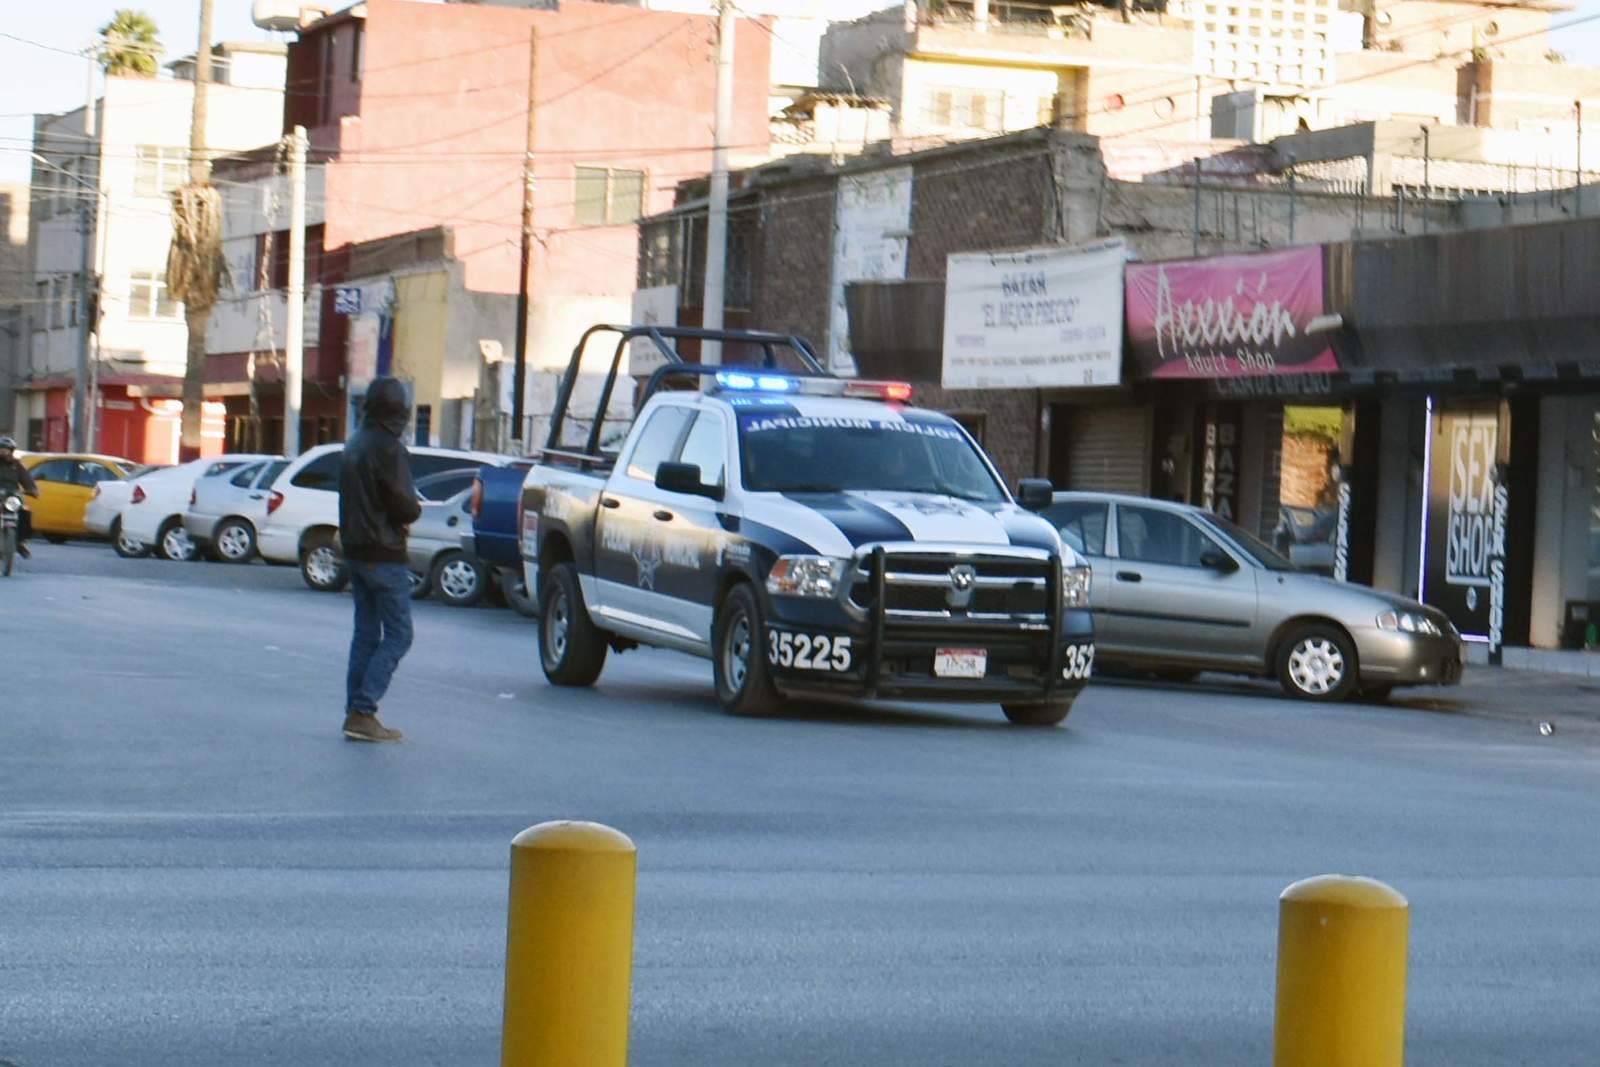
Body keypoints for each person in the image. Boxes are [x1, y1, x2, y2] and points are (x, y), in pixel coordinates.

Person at [338, 378, 422, 742]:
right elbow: (406, 505)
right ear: (399, 411)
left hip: (356, 549)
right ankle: (364, 709)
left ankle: (355, 712)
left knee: (366, 633)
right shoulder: (389, 449)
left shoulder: (354, 443)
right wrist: (410, 514)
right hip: (385, 552)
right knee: (400, 634)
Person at [0, 436, 39, 559]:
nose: (3, 452)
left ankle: (20, 542)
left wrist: (32, 489)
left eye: (6, 449)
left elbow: (26, 479)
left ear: (11, 451)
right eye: (1, 449)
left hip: (11, 497)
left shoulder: (17, 465)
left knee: (25, 513)